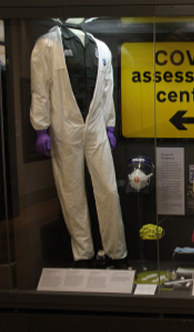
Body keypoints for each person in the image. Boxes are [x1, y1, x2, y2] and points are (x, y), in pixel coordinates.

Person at [30, 20, 127, 267]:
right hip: (64, 124)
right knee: (71, 190)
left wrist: (110, 124)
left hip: (95, 126)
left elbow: (107, 90)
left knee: (108, 189)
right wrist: (40, 127)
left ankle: (115, 251)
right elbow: (39, 87)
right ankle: (83, 253)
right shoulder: (47, 44)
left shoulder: (101, 49)